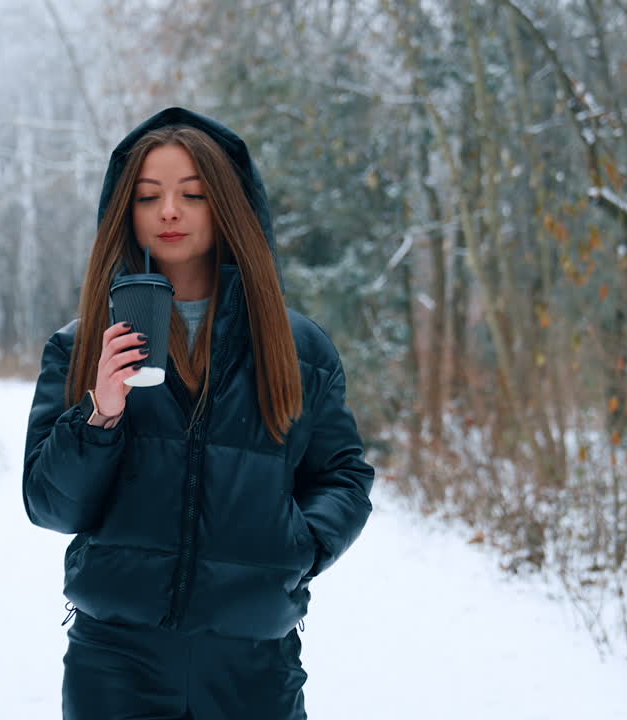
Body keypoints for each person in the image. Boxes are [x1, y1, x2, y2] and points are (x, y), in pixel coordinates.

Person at [22, 107, 374, 720]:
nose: (169, 211)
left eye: (193, 194)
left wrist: (297, 547)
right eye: (148, 196)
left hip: (253, 665)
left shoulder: (298, 348)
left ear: (228, 206)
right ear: (125, 212)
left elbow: (342, 476)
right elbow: (51, 506)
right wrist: (100, 415)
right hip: (116, 664)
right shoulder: (82, 347)